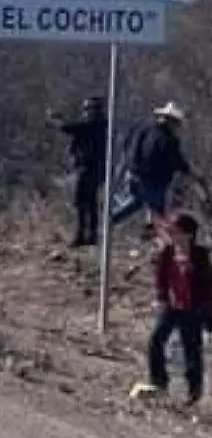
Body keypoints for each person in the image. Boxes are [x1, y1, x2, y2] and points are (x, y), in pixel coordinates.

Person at [132, 213, 212, 406]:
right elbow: (161, 276)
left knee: (191, 350)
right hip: (171, 306)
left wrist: (206, 310)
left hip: (192, 308)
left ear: (188, 235)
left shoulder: (201, 256)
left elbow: (208, 285)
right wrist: (161, 296)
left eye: (176, 232)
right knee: (156, 341)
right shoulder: (168, 252)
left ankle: (194, 392)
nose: (172, 235)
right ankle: (159, 382)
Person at [110, 102, 209, 241]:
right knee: (158, 213)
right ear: (171, 121)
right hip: (153, 181)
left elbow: (128, 147)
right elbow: (178, 162)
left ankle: (107, 222)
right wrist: (195, 176)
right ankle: (157, 240)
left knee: (132, 204)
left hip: (134, 175)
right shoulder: (167, 139)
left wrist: (128, 168)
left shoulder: (142, 129)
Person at [48, 97, 108, 248]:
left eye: (87, 109)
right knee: (91, 203)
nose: (85, 113)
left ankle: (82, 235)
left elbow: (67, 127)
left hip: (87, 168)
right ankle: (91, 235)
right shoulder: (103, 125)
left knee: (81, 203)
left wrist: (56, 119)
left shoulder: (91, 125)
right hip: (97, 169)